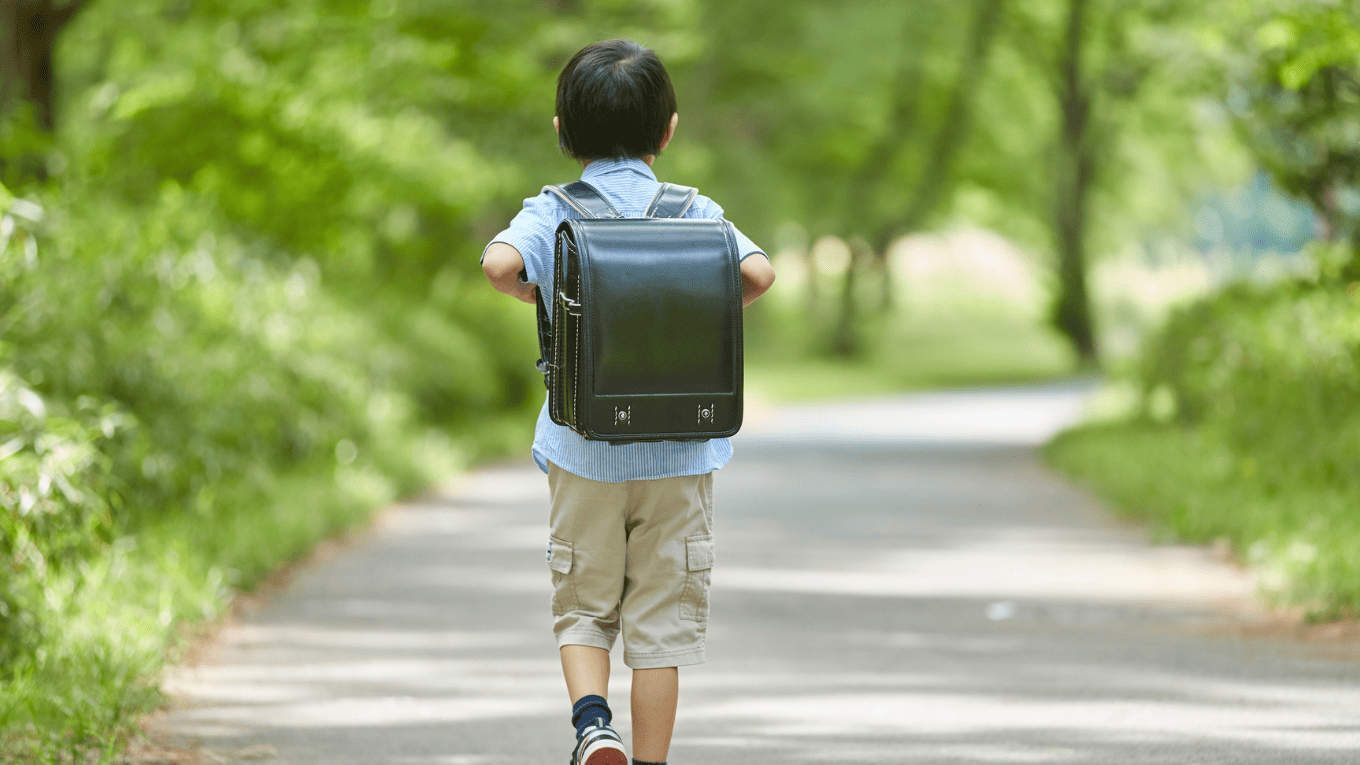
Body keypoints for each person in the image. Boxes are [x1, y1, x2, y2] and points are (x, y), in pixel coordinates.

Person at [480, 38, 775, 765]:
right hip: (681, 453)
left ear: (563, 131)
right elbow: (758, 273)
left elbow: (498, 263)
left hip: (582, 449)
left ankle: (592, 724)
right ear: (667, 131)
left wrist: (542, 297)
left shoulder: (554, 211)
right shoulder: (695, 211)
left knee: (583, 605)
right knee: (661, 628)